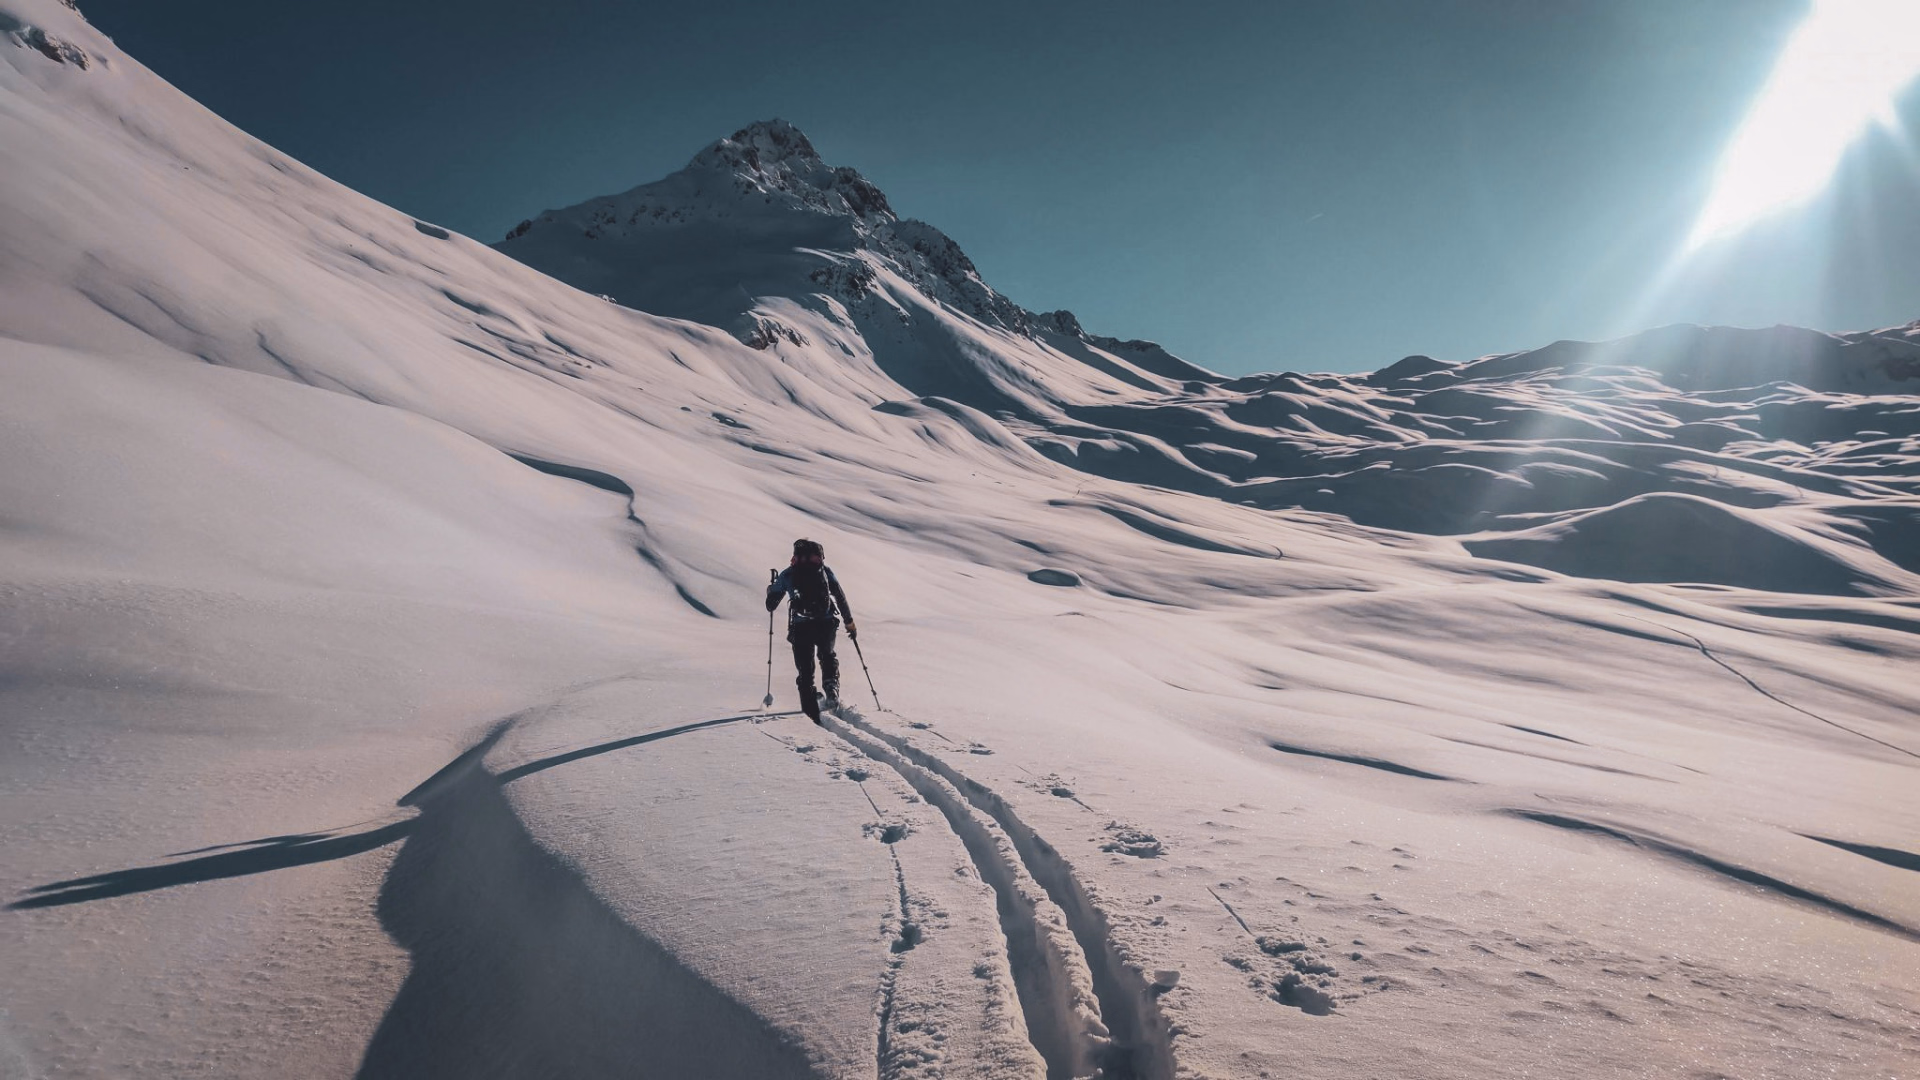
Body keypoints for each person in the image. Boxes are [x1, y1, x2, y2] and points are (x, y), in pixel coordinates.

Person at [766, 538, 856, 723]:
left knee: (806, 672)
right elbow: (839, 596)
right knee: (827, 655)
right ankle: (831, 688)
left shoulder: (788, 575)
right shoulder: (825, 571)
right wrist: (849, 623)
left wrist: (771, 590)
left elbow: (771, 605)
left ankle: (812, 713)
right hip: (826, 624)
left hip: (801, 627)